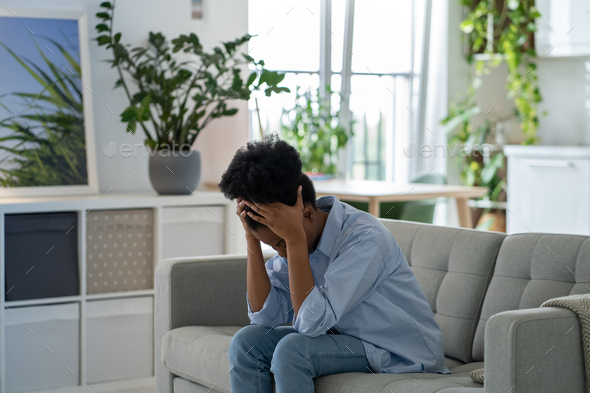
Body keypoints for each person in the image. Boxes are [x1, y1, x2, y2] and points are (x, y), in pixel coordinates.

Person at [218, 134, 450, 393]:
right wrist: (251, 237)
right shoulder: (297, 238)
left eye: (281, 244)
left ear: (306, 214)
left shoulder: (364, 239)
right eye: (275, 248)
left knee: (292, 350)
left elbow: (310, 324)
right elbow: (264, 316)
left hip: (398, 350)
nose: (281, 255)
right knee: (245, 343)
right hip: (346, 340)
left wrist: (293, 239)